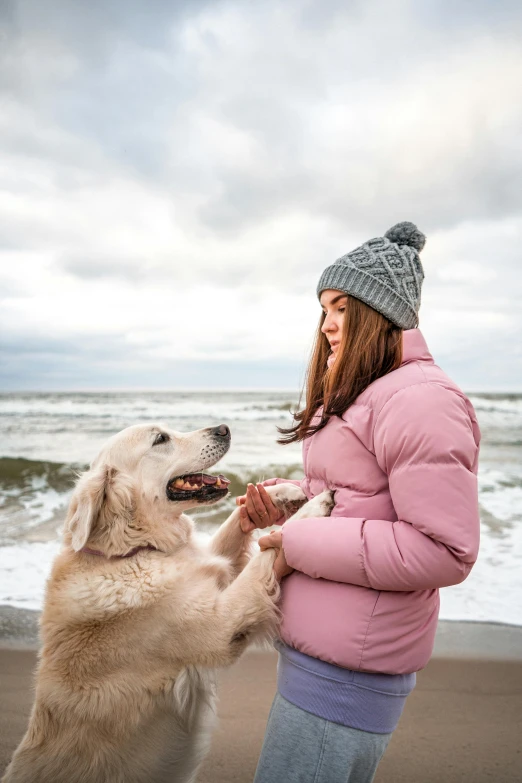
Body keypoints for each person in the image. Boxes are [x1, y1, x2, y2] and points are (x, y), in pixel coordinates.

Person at [236, 222, 481, 783]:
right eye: (323, 310)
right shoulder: (368, 394)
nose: (326, 327)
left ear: (378, 312)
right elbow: (358, 501)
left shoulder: (420, 400)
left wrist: (296, 539)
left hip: (348, 678)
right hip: (320, 659)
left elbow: (443, 551)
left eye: (341, 308)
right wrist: (293, 504)